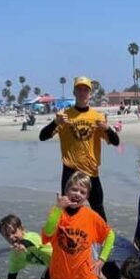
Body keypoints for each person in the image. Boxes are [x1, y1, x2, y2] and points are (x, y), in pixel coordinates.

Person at [39, 76, 120, 221]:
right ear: (74, 92)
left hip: (91, 171)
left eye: (85, 90)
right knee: (69, 211)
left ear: (90, 94)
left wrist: (107, 129)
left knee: (98, 210)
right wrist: (55, 122)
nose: (82, 92)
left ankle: (105, 241)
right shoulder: (64, 116)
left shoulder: (97, 116)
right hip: (70, 171)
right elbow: (42, 136)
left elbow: (116, 142)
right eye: (79, 89)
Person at [41, 172, 115, 279]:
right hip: (60, 276)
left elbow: (110, 235)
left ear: (87, 197)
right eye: (74, 189)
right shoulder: (58, 212)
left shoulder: (91, 216)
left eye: (82, 192)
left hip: (85, 276)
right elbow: (49, 232)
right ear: (66, 191)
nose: (77, 194)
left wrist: (101, 261)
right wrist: (58, 208)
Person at [0, 214, 53, 279]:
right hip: (54, 265)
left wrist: (22, 245)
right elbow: (13, 272)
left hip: (69, 260)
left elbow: (28, 242)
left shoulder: (32, 236)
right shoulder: (16, 253)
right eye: (7, 235)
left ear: (22, 229)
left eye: (13, 232)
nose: (11, 237)